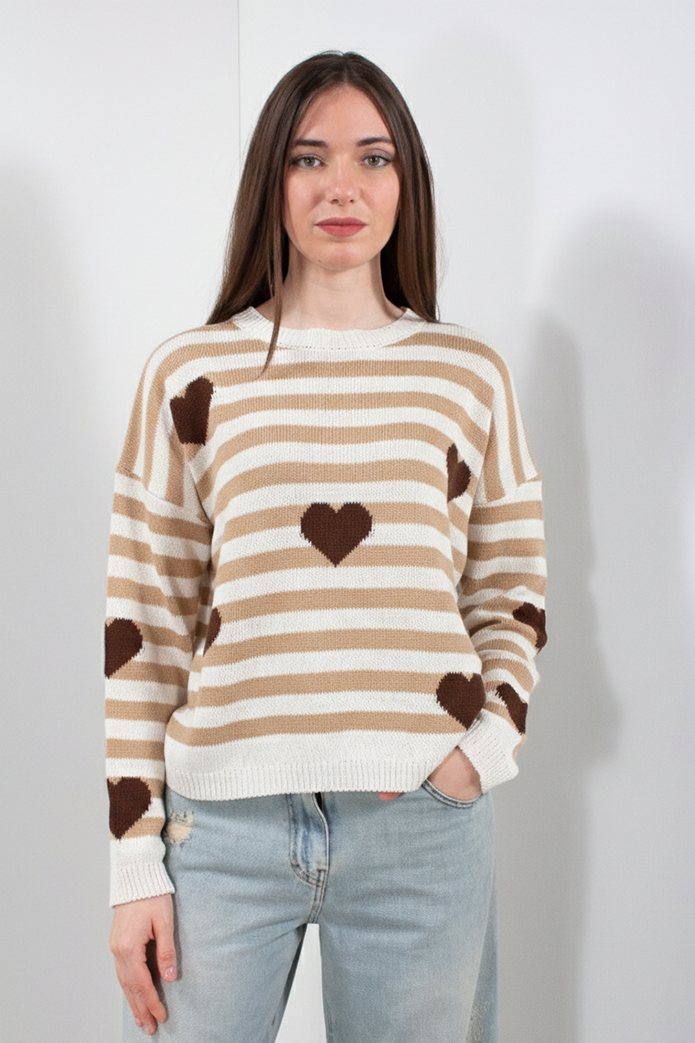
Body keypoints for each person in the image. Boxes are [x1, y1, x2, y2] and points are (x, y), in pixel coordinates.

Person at [105, 50, 547, 1042]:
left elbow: (510, 588)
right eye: (308, 158)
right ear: (271, 181)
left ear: (404, 182)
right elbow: (143, 624)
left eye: (372, 158)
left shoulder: (466, 374)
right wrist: (134, 862)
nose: (341, 185)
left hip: (420, 825)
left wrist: (478, 752)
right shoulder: (191, 374)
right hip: (219, 828)